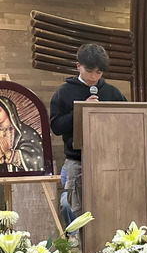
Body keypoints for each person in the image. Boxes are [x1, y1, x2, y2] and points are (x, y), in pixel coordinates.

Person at [50, 43, 126, 214]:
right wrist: (81, 111)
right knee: (80, 213)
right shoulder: (64, 92)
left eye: (98, 72)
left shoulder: (112, 92)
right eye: (89, 70)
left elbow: (126, 121)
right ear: (78, 66)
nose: (93, 77)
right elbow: (56, 126)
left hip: (109, 160)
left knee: (109, 210)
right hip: (77, 161)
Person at [0, 96, 44, 172]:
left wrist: (9, 153)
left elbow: (37, 158)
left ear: (8, 110)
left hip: (19, 177)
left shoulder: (26, 133)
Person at [59, 165, 77, 246]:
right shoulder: (68, 165)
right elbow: (65, 184)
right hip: (71, 191)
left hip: (90, 191)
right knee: (65, 203)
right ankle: (72, 234)